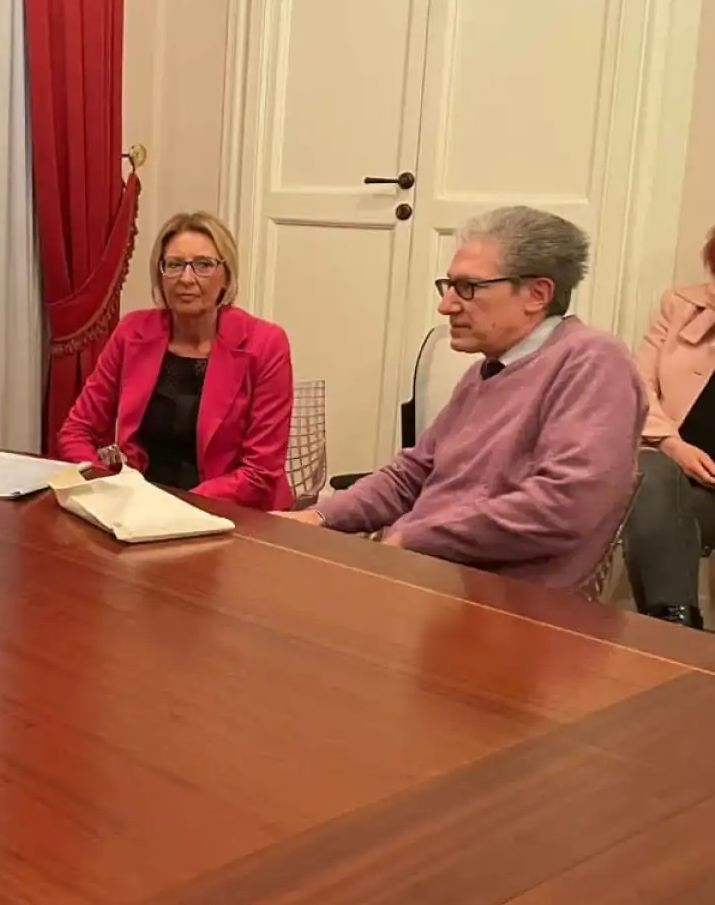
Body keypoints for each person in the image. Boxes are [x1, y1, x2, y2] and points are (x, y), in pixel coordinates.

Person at [279, 207, 644, 591]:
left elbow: (564, 505)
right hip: (427, 579)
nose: (447, 304)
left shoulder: (594, 361)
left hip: (504, 607)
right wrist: (320, 516)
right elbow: (412, 475)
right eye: (448, 286)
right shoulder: (484, 372)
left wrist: (415, 538)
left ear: (538, 294)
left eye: (468, 287)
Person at [56, 211, 294, 509]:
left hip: (235, 515)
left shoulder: (265, 344)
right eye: (175, 265)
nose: (186, 278)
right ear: (161, 273)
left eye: (203, 265)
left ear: (226, 276)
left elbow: (260, 473)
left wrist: (173, 505)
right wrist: (105, 484)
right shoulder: (133, 332)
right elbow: (78, 430)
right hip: (137, 506)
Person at [623, 225, 715, 628]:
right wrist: (673, 445)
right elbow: (637, 385)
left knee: (668, 525)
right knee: (651, 477)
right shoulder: (680, 306)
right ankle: (676, 627)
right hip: (678, 472)